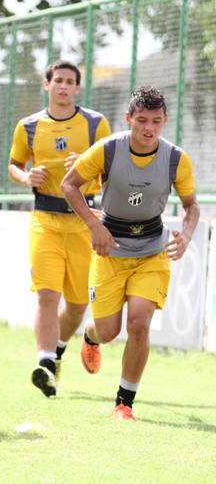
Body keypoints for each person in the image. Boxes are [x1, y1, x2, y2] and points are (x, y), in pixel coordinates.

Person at [61, 85, 198, 420]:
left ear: (165, 120)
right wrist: (95, 228)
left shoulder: (176, 158)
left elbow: (191, 205)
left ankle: (124, 403)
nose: (148, 128)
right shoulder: (107, 149)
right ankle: (91, 335)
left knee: (139, 325)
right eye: (141, 121)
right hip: (110, 249)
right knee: (109, 331)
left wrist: (187, 235)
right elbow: (69, 184)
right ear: (129, 118)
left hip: (152, 250)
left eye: (155, 121)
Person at [8, 60, 111, 398]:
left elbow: (113, 170)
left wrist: (87, 163)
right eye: (59, 80)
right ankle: (46, 362)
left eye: (70, 82)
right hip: (44, 221)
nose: (64, 86)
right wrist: (26, 177)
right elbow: (14, 164)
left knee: (79, 305)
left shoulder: (96, 124)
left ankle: (61, 349)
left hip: (85, 222)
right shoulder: (29, 126)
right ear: (46, 84)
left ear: (78, 88)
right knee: (47, 295)